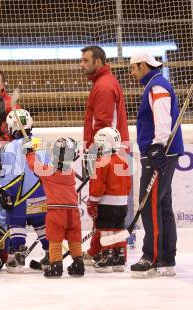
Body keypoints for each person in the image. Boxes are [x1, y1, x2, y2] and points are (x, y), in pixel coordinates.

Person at [129, 51, 184, 277]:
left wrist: (157, 145)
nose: (132, 73)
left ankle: (150, 256)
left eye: (133, 67)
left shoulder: (157, 86)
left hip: (159, 152)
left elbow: (163, 118)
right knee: (162, 205)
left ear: (142, 65)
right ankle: (166, 258)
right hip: (162, 152)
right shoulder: (155, 83)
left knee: (150, 204)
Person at [80, 45, 130, 265]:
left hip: (106, 154)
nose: (81, 64)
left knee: (104, 210)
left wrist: (93, 154)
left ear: (97, 61)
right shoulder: (104, 83)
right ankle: (104, 251)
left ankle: (105, 252)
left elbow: (102, 126)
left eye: (85, 60)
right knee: (111, 213)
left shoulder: (103, 86)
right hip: (114, 153)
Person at [0, 109, 49, 273]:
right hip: (40, 193)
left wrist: (5, 191)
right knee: (42, 226)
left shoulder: (10, 147)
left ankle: (17, 258)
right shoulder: (40, 143)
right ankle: (50, 256)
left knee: (16, 224)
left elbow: (11, 173)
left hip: (19, 196)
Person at [25, 137, 84, 278]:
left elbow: (34, 165)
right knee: (74, 236)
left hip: (56, 211)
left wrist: (29, 152)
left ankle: (56, 265)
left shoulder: (49, 172)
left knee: (55, 238)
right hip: (73, 211)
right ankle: (78, 264)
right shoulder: (70, 173)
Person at [87, 127, 131, 273]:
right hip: (122, 204)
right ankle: (120, 259)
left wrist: (92, 201)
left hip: (107, 203)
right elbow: (128, 185)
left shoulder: (102, 161)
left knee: (106, 230)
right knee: (119, 229)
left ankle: (107, 258)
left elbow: (98, 185)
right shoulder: (124, 160)